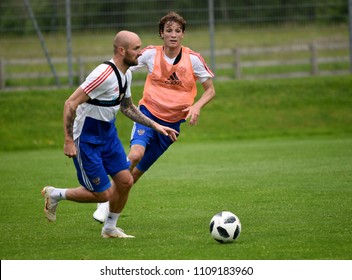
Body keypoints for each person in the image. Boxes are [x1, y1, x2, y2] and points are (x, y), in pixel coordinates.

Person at [41, 30, 178, 238]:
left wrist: (156, 126)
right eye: (136, 49)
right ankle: (55, 194)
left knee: (125, 181)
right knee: (102, 193)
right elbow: (70, 103)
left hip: (108, 135)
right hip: (86, 138)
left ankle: (109, 228)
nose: (140, 53)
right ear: (122, 51)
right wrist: (69, 140)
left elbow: (128, 108)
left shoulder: (127, 74)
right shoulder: (103, 74)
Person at [93, 12, 216, 223]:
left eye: (178, 31)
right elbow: (124, 64)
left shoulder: (193, 59)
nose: (173, 35)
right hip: (148, 115)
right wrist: (111, 85)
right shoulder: (150, 54)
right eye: (168, 30)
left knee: (135, 176)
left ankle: (111, 217)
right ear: (161, 34)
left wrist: (196, 106)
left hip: (171, 127)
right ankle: (105, 198)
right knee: (136, 153)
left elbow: (210, 90)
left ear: (183, 34)